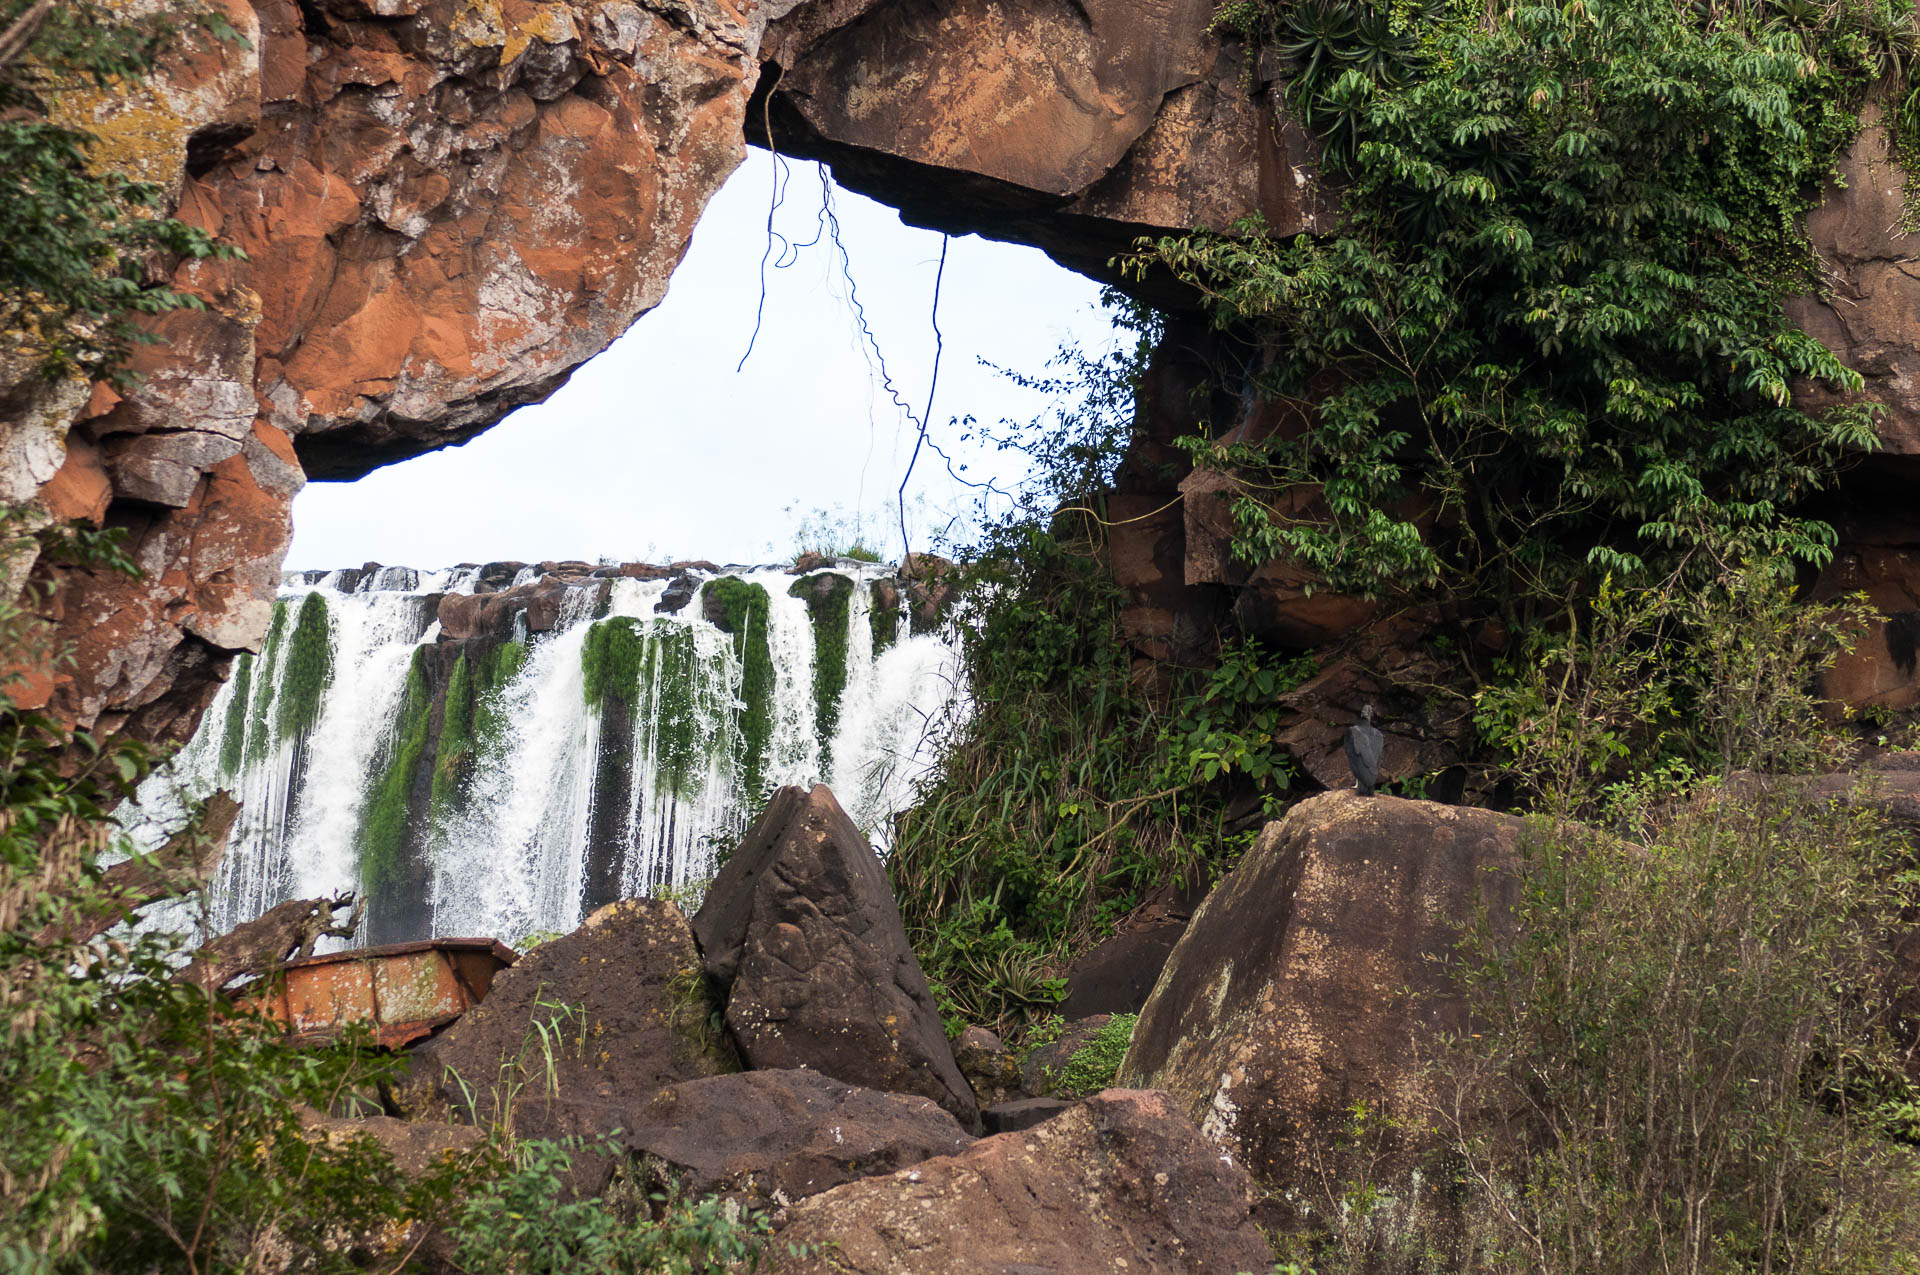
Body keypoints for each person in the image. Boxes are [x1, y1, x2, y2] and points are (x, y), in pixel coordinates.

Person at [1344, 704, 1383, 796]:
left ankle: (1359, 784)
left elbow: (1353, 761)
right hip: (1371, 781)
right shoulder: (1378, 734)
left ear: (1361, 714)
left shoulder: (1352, 732)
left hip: (1362, 782)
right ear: (1371, 716)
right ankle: (1364, 785)